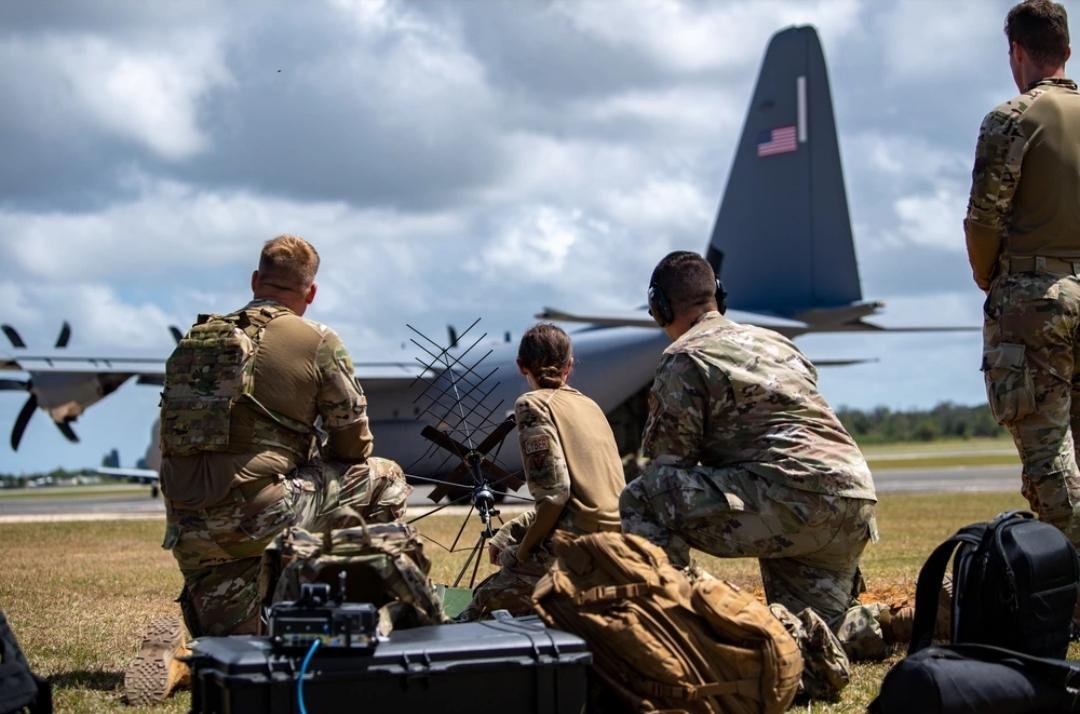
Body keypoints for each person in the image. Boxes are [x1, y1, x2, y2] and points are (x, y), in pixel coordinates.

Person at [123, 235, 410, 704]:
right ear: (310, 292)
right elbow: (354, 444)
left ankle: (183, 658)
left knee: (240, 645)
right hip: (259, 514)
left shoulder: (197, 340)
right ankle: (364, 619)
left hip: (189, 524)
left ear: (256, 280)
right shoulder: (316, 340)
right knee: (385, 477)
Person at [619, 251, 891, 660]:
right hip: (852, 499)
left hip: (789, 498)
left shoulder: (684, 356)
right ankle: (906, 620)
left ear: (659, 307)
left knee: (644, 495)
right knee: (810, 636)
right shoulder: (777, 343)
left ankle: (669, 637)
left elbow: (668, 465)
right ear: (719, 297)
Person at [964, 1, 1080, 570]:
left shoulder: (1011, 118)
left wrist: (992, 278)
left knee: (1048, 455)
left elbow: (985, 220)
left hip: (1035, 299)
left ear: (1016, 52)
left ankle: (1072, 583)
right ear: (1067, 50)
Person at [458, 323, 626, 620]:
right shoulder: (590, 406)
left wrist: (520, 554)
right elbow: (583, 499)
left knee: (481, 606)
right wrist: (514, 530)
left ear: (521, 366)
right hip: (614, 547)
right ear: (569, 366)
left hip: (574, 552)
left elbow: (554, 496)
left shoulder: (532, 404)